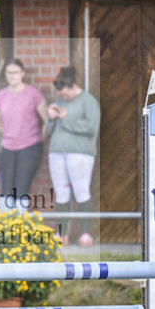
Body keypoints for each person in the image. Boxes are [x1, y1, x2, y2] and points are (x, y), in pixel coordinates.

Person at [45, 66, 100, 246]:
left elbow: (91, 128)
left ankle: (85, 234)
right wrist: (51, 118)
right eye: (61, 94)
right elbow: (50, 129)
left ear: (73, 86)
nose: (64, 98)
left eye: (66, 94)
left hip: (80, 154)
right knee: (61, 193)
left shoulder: (89, 102)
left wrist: (65, 118)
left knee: (81, 191)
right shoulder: (60, 100)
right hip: (57, 153)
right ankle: (62, 234)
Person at [0, 59, 48, 211]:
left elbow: (47, 119)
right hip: (8, 146)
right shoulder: (1, 95)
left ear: (22, 73)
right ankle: (4, 226)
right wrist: (10, 136)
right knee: (6, 189)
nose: (12, 75)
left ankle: (19, 226)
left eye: (15, 72)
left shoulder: (33, 93)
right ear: (5, 74)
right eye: (9, 72)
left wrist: (40, 139)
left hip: (29, 146)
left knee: (21, 187)